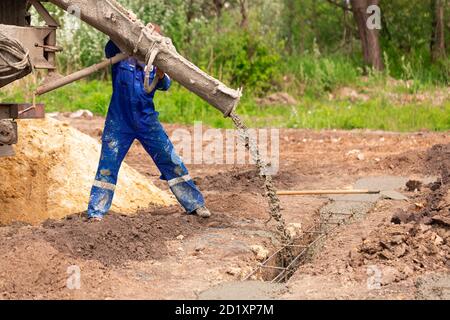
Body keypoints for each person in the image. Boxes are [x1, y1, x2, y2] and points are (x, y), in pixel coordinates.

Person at [87, 33, 211, 221]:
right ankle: (96, 212)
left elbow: (165, 84)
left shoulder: (155, 65)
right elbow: (111, 45)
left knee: (170, 161)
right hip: (119, 121)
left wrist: (160, 72)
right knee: (107, 166)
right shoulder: (121, 57)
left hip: (147, 122)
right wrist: (125, 28)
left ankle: (195, 204)